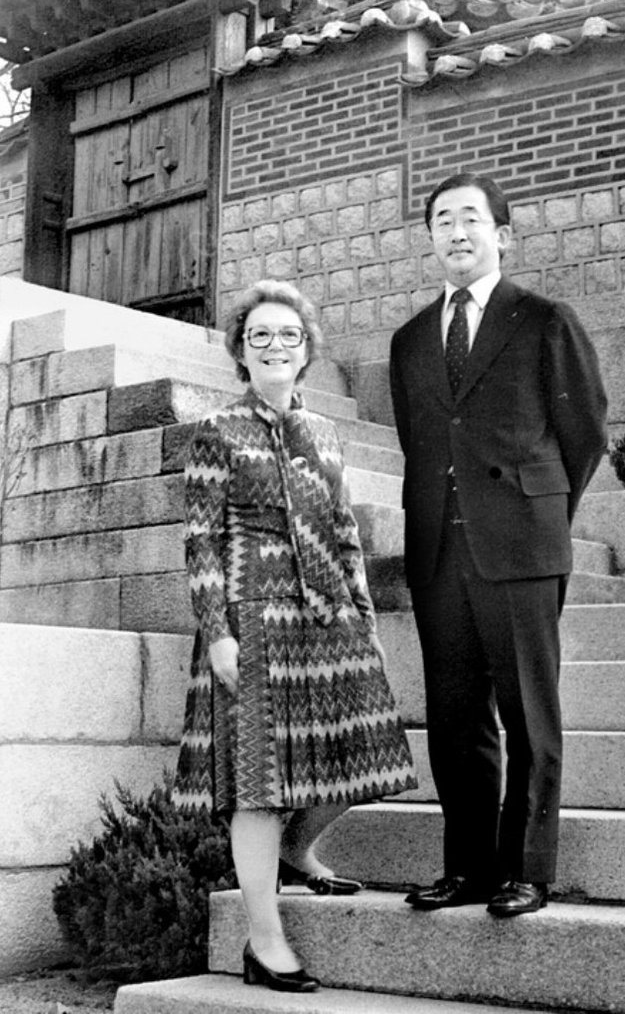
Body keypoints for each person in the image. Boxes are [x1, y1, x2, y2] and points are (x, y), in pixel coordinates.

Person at [173, 278, 417, 991]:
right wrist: (217, 632)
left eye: (289, 335)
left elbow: (344, 534)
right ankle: (264, 939)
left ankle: (297, 851)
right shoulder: (218, 432)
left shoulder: (326, 435)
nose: (276, 345)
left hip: (328, 618)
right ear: (241, 354)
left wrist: (364, 620)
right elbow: (201, 543)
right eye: (260, 336)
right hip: (251, 618)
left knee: (367, 753)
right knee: (257, 785)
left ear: (306, 350)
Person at [389, 173, 607, 917]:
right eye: (442, 219)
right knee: (454, 722)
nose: (456, 231)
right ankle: (468, 870)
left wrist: (534, 513)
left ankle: (528, 871)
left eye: (471, 219)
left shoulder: (544, 319)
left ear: (501, 234)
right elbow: (418, 442)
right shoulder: (411, 338)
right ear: (429, 238)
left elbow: (583, 436)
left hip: (520, 546)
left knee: (527, 716)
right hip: (439, 554)